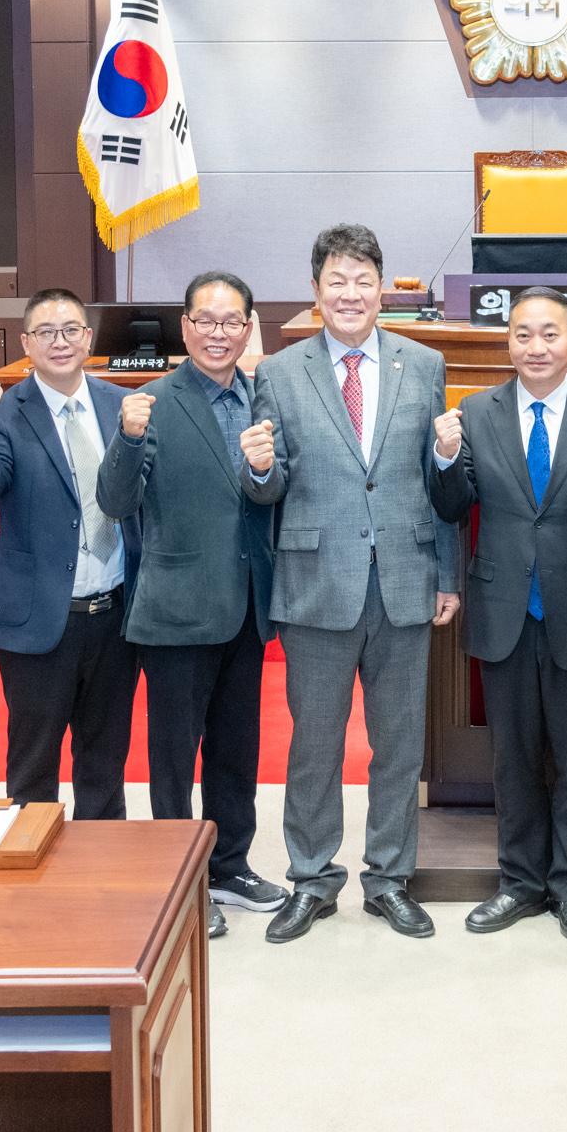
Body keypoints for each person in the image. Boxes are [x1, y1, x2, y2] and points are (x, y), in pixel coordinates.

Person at [242, 223, 460, 944]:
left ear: (382, 287)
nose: (350, 292)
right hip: (315, 582)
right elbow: (266, 487)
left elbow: (440, 476)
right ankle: (311, 877)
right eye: (336, 280)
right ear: (315, 290)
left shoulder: (422, 364)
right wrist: (264, 469)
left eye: (363, 279)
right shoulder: (278, 372)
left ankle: (390, 877)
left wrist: (448, 572)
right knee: (316, 743)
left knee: (399, 743)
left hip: (404, 576)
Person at [428, 287, 567, 943]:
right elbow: (451, 505)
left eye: (550, 333)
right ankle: (520, 878)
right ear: (508, 341)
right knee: (512, 752)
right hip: (503, 607)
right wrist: (442, 457)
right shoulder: (476, 411)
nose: (537, 346)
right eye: (523, 334)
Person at [95, 272, 282, 941]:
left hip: (247, 604)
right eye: (206, 319)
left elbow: (271, 491)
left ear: (248, 327)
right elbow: (115, 502)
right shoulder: (150, 401)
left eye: (233, 321)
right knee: (174, 759)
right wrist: (126, 437)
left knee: (236, 751)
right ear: (185, 327)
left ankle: (230, 863)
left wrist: (264, 472)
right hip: (176, 606)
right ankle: (181, 879)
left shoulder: (265, 396)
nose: (219, 332)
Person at [0, 290, 142, 822]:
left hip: (114, 616)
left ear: (88, 338)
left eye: (70, 330)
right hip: (39, 618)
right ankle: (35, 883)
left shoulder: (117, 404)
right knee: (34, 763)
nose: (59, 342)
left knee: (105, 759)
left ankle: (100, 870)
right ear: (25, 344)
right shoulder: (5, 411)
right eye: (45, 332)